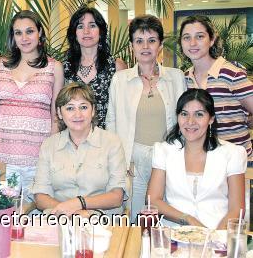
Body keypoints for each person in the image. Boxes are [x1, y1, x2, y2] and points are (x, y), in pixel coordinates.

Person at [106, 15, 186, 221]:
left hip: (169, 158)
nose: (145, 47)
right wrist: (121, 161)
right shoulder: (120, 79)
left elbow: (184, 122)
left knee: (168, 217)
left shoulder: (176, 77)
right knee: (136, 218)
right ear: (132, 45)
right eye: (139, 41)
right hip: (134, 161)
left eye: (151, 40)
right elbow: (112, 123)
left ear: (160, 45)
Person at [147, 89, 246, 229]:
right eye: (184, 114)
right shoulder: (164, 150)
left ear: (211, 119)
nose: (190, 121)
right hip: (174, 233)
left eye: (199, 114)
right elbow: (153, 200)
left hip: (217, 233)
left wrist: (214, 238)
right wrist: (187, 219)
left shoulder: (233, 153)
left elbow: (236, 209)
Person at [0, 10, 64, 199]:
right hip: (2, 155)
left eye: (29, 31)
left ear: (40, 32)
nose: (24, 38)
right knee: (3, 216)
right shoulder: (2, 64)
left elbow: (55, 116)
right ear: (13, 37)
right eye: (18, 33)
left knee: (36, 220)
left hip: (36, 158)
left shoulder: (54, 67)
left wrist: (50, 155)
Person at [32, 83, 126, 216]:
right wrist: (70, 211)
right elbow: (41, 196)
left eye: (83, 107)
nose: (78, 114)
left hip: (100, 219)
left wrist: (80, 204)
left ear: (93, 110)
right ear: (59, 113)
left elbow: (117, 197)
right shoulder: (49, 145)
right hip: (59, 218)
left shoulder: (112, 143)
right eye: (70, 108)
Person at [180, 15, 253, 157]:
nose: (192, 43)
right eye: (186, 37)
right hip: (202, 162)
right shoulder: (184, 78)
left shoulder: (231, 74)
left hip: (236, 164)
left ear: (212, 40)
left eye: (200, 36)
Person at [63, 6, 127, 129]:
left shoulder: (116, 67)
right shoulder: (64, 68)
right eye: (80, 26)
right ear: (74, 33)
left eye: (92, 25)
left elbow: (123, 112)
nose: (86, 31)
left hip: (106, 140)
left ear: (101, 31)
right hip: (73, 140)